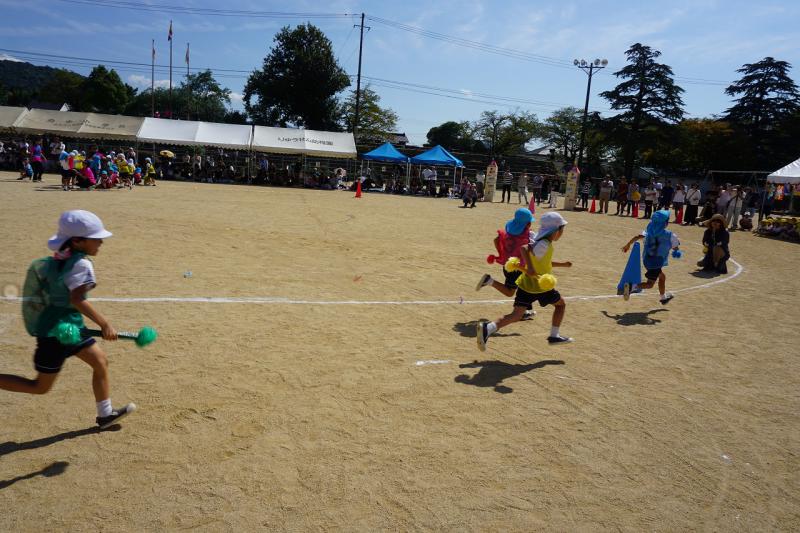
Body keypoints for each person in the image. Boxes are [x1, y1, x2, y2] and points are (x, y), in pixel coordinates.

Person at [0, 210, 136, 429]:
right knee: (39, 387)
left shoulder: (59, 259)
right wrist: (104, 324)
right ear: (77, 241)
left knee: (100, 361)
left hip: (67, 327)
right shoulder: (81, 264)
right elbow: (76, 299)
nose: (101, 242)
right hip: (57, 334)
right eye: (95, 238)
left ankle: (105, 415)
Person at [476, 212, 574, 349]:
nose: (562, 233)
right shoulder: (544, 244)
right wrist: (531, 267)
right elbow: (524, 248)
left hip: (526, 285)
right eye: (562, 229)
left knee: (516, 315)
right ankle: (554, 335)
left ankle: (488, 328)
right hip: (540, 287)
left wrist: (562, 264)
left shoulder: (540, 242)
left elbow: (543, 262)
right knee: (560, 305)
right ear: (556, 230)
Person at [476, 208, 536, 320]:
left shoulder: (509, 230)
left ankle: (525, 311)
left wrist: (501, 253)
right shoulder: (529, 235)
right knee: (510, 292)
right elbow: (533, 249)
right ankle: (489, 281)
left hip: (507, 265)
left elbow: (496, 240)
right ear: (528, 224)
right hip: (518, 268)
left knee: (525, 287)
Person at [621, 210, 681, 305]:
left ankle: (663, 298)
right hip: (656, 263)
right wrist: (676, 251)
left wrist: (628, 245)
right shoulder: (670, 235)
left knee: (662, 277)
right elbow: (676, 248)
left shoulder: (648, 232)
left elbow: (637, 237)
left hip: (647, 260)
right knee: (650, 284)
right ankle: (631, 287)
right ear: (665, 223)